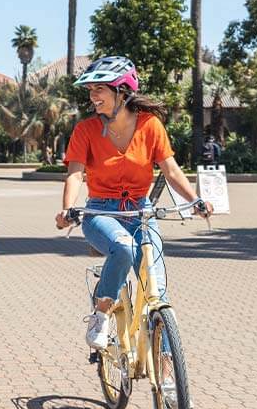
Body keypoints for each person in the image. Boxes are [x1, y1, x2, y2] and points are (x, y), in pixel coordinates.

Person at [54, 56, 212, 351]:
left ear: (122, 91)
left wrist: (196, 200)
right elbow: (75, 174)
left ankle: (167, 377)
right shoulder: (86, 130)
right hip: (101, 211)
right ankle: (101, 314)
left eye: (99, 89)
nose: (93, 96)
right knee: (123, 246)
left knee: (157, 290)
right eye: (91, 90)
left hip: (141, 211)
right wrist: (67, 209)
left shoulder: (150, 126)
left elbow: (172, 170)